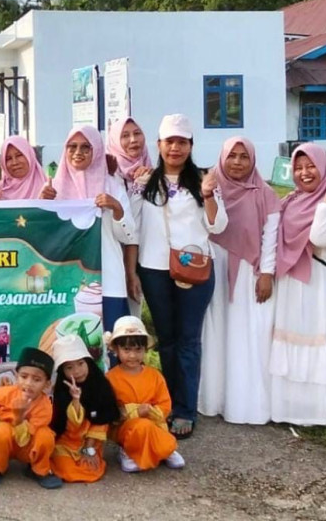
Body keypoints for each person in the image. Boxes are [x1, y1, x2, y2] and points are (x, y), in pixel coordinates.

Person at [128, 114, 227, 439]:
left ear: (190, 146)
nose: (175, 148)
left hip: (195, 269)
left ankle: (185, 410)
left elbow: (218, 226)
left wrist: (210, 195)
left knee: (188, 341)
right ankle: (167, 404)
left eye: (182, 142)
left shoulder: (203, 180)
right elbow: (130, 227)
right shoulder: (146, 183)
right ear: (159, 145)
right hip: (155, 269)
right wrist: (135, 190)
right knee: (167, 341)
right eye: (169, 141)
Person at [199, 137, 280, 424]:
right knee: (217, 332)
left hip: (249, 274)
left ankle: (245, 405)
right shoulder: (209, 188)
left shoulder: (265, 193)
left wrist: (267, 273)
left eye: (243, 156)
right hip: (214, 268)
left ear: (253, 160)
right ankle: (213, 399)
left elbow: (270, 237)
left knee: (247, 336)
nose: (237, 162)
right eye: (231, 155)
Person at [270, 144, 326, 427]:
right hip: (291, 282)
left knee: (319, 339)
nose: (304, 173)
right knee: (293, 336)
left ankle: (322, 411)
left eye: (311, 166)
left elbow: (320, 238)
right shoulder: (290, 201)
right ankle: (293, 407)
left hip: (319, 281)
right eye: (299, 167)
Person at [53, 125, 137, 341]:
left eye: (85, 147)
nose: (77, 152)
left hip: (108, 279)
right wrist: (42, 202)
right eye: (72, 146)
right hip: (68, 281)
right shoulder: (55, 188)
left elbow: (128, 235)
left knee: (111, 342)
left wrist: (116, 208)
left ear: (97, 151)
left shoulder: (112, 186)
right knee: (72, 342)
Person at [105, 316, 184, 472]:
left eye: (138, 350)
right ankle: (129, 450)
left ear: (145, 350)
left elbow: (165, 404)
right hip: (126, 427)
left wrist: (152, 411)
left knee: (149, 425)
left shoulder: (155, 376)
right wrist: (134, 412)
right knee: (141, 426)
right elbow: (109, 411)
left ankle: (165, 449)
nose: (133, 355)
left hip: (153, 421)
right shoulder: (110, 379)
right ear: (116, 350)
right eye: (127, 350)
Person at [0, 347, 61, 489]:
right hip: (2, 444)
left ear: (47, 384)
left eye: (37, 379)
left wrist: (19, 416)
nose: (28, 383)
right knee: (0, 430)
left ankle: (38, 469)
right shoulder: (2, 394)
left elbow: (24, 439)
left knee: (46, 436)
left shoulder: (45, 406)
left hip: (26, 447)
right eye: (24, 376)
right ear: (16, 376)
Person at [49, 335, 119, 483]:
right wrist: (75, 400)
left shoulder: (101, 386)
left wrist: (89, 449)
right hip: (66, 443)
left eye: (81, 363)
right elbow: (64, 425)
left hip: (90, 442)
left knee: (90, 471)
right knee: (66, 470)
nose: (77, 371)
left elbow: (103, 419)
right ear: (62, 371)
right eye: (69, 367)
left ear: (88, 362)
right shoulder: (61, 391)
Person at [106, 117, 152, 315]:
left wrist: (145, 182)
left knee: (132, 319)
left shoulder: (152, 173)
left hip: (146, 258)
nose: (133, 140)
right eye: (125, 136)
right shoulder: (107, 176)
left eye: (137, 133)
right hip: (111, 260)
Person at [0, 136, 55, 200]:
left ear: (29, 155)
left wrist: (46, 201)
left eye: (19, 155)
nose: (15, 162)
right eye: (8, 159)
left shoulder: (48, 189)